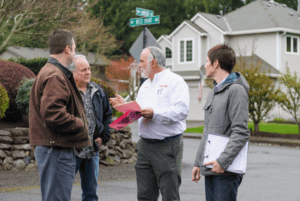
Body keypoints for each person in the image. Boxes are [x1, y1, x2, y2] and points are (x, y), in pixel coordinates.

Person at [110, 46, 190, 201]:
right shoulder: (145, 85)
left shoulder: (176, 82)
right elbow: (138, 112)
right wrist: (124, 106)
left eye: (141, 61)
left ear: (153, 63)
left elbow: (182, 111)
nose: (139, 65)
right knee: (145, 196)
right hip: (145, 147)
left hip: (167, 146)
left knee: (170, 196)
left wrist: (155, 114)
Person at [29, 29, 90, 201]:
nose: (75, 51)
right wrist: (81, 124)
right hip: (55, 149)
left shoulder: (51, 71)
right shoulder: (55, 75)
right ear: (67, 49)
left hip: (53, 147)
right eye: (74, 47)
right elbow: (54, 115)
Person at [192, 44, 250, 201]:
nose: (204, 65)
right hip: (211, 167)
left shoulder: (236, 91)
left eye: (206, 61)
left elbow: (241, 132)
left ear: (215, 63)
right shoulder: (213, 92)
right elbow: (207, 131)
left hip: (226, 170)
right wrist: (199, 163)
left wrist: (222, 161)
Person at [69, 55, 113, 201]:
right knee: (63, 191)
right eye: (83, 70)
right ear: (72, 72)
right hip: (71, 151)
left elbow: (108, 115)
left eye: (89, 69)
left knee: (91, 194)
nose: (88, 72)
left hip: (92, 150)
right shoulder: (66, 91)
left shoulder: (98, 91)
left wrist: (104, 137)